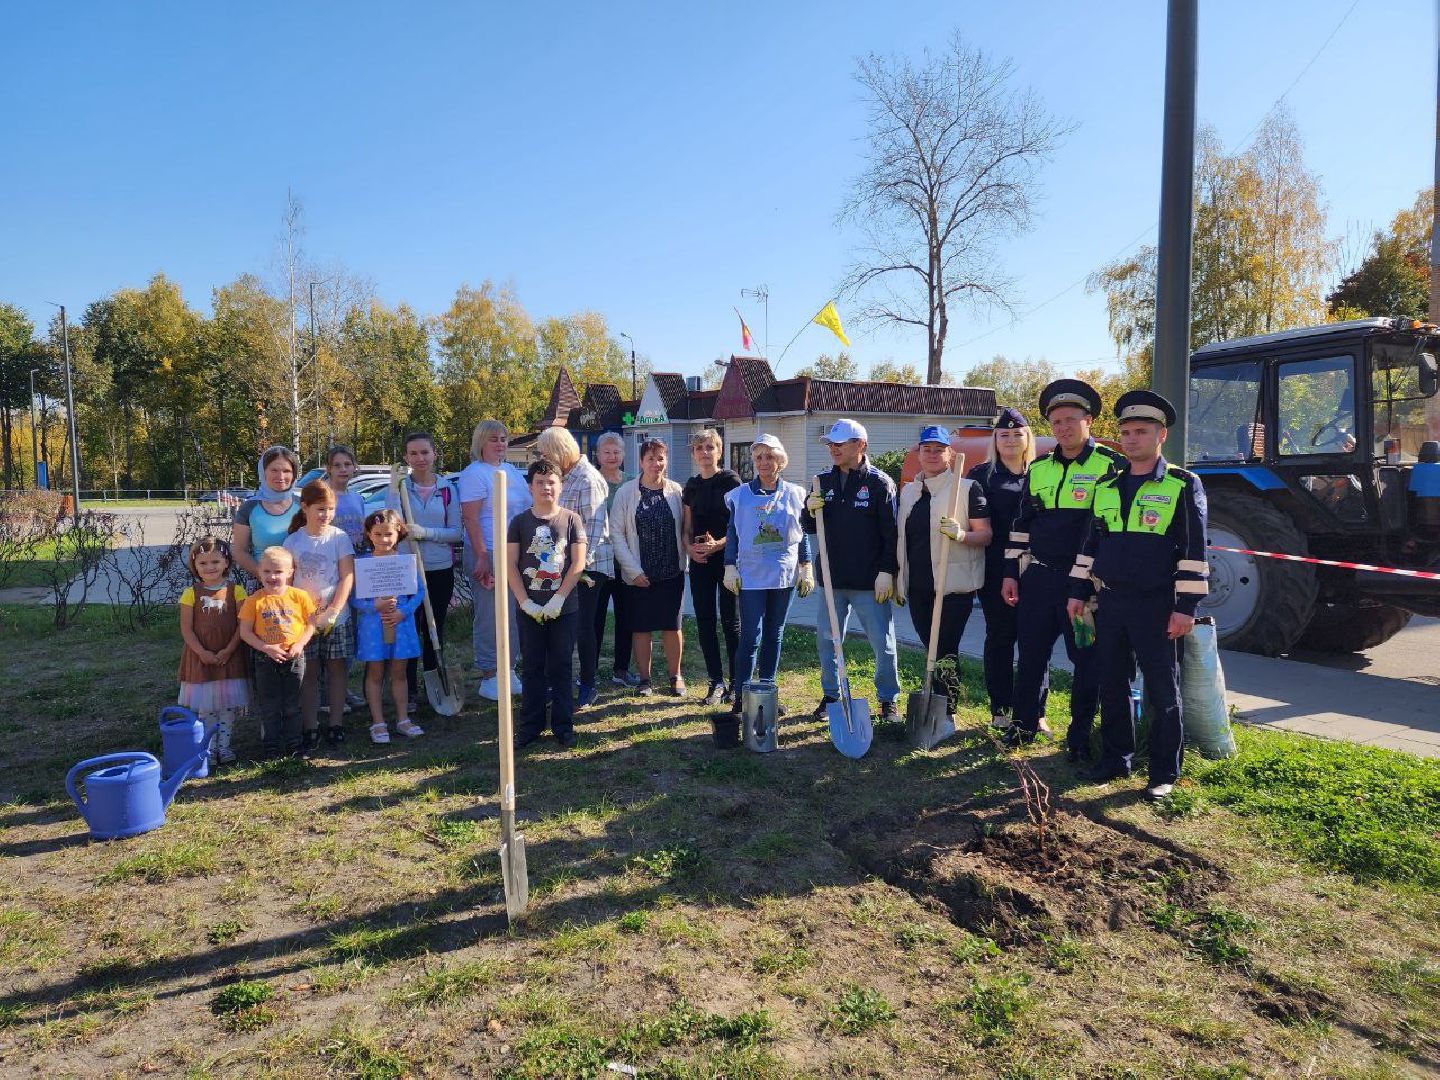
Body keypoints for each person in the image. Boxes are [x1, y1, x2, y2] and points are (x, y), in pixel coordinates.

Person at [1067, 390, 1209, 799]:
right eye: (1125, 432)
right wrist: (1078, 591)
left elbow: (1195, 551)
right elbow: (1090, 544)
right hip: (1110, 602)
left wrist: (1186, 608)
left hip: (1158, 606)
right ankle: (1116, 760)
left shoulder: (1183, 484)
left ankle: (1164, 772)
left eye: (1140, 432)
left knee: (1163, 691)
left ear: (1160, 435)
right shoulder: (1107, 485)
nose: (1130, 439)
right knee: (1112, 684)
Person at [1003, 379, 1125, 751]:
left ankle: (1080, 735)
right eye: (1056, 423)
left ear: (1088, 421)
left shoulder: (1112, 466)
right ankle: (1023, 726)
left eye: (1071, 420)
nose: (1064, 428)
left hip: (1085, 587)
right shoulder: (1038, 468)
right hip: (1039, 579)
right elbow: (1021, 525)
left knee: (1087, 662)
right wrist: (1011, 573)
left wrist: (1091, 583)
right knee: (1031, 656)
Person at [801, 418, 902, 720]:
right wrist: (810, 508)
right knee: (828, 643)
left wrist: (888, 571)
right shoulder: (822, 482)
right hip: (832, 579)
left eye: (840, 443)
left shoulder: (879, 483)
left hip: (870, 581)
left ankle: (888, 700)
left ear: (860, 445)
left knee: (882, 645)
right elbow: (809, 528)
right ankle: (832, 697)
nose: (833, 448)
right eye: (831, 443)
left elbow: (891, 533)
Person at [723, 434, 814, 717]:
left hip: (783, 575)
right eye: (759, 457)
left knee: (775, 634)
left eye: (770, 457)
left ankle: (767, 691)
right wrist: (729, 565)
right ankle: (742, 694)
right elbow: (733, 532)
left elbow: (801, 536)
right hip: (750, 575)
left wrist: (806, 566)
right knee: (751, 636)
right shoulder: (740, 496)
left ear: (780, 461)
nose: (764, 462)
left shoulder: (796, 494)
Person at [895, 426, 991, 681]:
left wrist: (961, 535)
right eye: (927, 449)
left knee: (945, 651)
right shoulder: (909, 492)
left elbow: (985, 535)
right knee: (931, 649)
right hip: (918, 585)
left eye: (939, 450)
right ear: (919, 454)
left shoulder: (968, 488)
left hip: (952, 588)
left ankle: (946, 710)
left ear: (951, 454)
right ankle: (934, 704)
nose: (932, 454)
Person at [507, 459, 588, 749]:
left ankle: (563, 726)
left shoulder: (571, 520)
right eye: (540, 482)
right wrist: (524, 601)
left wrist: (559, 598)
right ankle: (531, 725)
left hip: (563, 609)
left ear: (560, 485)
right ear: (530, 487)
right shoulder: (519, 522)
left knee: (561, 666)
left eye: (551, 481)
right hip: (529, 609)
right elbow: (510, 566)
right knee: (532, 667)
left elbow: (577, 563)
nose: (546, 487)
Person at [967, 407, 1037, 728]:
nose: (1010, 439)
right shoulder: (981, 475)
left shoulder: (1041, 472)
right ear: (995, 438)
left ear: (1027, 439)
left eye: (1017, 434)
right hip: (995, 570)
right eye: (1004, 434)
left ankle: (1037, 710)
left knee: (1036, 639)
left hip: (1036, 569)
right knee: (1000, 638)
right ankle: (1001, 710)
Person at [386, 432, 463, 713]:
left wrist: (425, 533)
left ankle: (435, 679)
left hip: (439, 570)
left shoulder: (446, 490)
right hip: (408, 570)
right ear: (406, 458)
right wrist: (394, 490)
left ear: (434, 455)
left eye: (424, 453)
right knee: (408, 631)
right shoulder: (400, 488)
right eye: (413, 454)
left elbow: (456, 532)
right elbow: (390, 524)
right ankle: (409, 691)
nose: (420, 458)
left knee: (433, 628)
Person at [535, 427, 611, 710]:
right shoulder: (565, 477)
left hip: (587, 568)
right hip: (562, 566)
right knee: (560, 628)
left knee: (582, 628)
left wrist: (575, 569)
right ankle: (557, 683)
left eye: (545, 452)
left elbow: (591, 531)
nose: (543, 458)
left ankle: (589, 684)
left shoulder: (587, 479)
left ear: (557, 451)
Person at [458, 420, 531, 700]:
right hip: (486, 552)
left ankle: (508, 668)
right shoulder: (474, 474)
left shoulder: (510, 471)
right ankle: (489, 674)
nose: (500, 443)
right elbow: (471, 518)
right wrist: (482, 556)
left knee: (513, 615)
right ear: (481, 443)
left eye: (503, 438)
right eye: (493, 439)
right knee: (490, 615)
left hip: (514, 555)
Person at [610, 438, 686, 696]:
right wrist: (634, 571)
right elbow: (617, 535)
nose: (656, 463)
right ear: (641, 461)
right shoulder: (625, 493)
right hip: (639, 575)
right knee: (641, 628)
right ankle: (645, 679)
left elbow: (686, 529)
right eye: (650, 458)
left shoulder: (676, 491)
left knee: (671, 626)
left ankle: (676, 676)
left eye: (660, 458)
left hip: (671, 572)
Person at [283, 481, 356, 750]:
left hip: (338, 618)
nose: (326, 514)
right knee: (309, 673)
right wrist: (302, 614)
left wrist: (334, 610)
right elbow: (287, 582)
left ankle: (336, 723)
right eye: (320, 509)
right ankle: (309, 726)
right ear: (305, 507)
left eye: (330, 509)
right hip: (304, 622)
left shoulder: (339, 538)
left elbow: (347, 576)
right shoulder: (293, 540)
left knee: (337, 669)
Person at [352, 509, 426, 744]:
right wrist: (374, 605)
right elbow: (354, 597)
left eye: (388, 534)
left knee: (399, 673)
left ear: (398, 533)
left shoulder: (405, 562)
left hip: (401, 623)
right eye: (378, 534)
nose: (384, 540)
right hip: (373, 625)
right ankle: (378, 722)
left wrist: (404, 611)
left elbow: (419, 591)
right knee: (375, 673)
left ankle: (403, 719)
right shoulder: (362, 564)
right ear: (369, 534)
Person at [177, 537, 249, 766]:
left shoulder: (236, 591)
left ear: (226, 562)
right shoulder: (191, 593)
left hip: (230, 656)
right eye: (203, 564)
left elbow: (242, 625)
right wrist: (201, 652)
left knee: (227, 705)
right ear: (195, 566)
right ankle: (207, 748)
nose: (210, 568)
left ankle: (225, 747)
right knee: (206, 707)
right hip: (201, 659)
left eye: (215, 562)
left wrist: (229, 650)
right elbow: (186, 629)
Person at [237, 546, 316, 758]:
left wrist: (299, 644)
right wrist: (266, 647)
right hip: (265, 659)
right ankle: (270, 745)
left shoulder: (300, 597)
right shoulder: (253, 601)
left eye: (278, 572)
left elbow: (311, 625)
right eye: (267, 572)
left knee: (292, 703)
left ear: (290, 572)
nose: (272, 576)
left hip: (294, 658)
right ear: (259, 572)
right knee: (269, 705)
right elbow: (244, 632)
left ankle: (294, 744)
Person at [682, 428, 741, 706]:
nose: (705, 452)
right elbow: (686, 527)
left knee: (731, 621)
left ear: (719, 451)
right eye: (700, 448)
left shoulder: (730, 481)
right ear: (694, 453)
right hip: (700, 562)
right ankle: (715, 682)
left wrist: (719, 544)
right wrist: (690, 548)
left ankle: (736, 683)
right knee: (705, 621)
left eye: (710, 447)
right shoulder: (691, 486)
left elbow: (740, 525)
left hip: (727, 560)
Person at [593, 431, 635, 687]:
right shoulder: (590, 480)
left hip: (625, 562)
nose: (612, 456)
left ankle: (621, 669)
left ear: (623, 454)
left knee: (626, 618)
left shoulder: (632, 482)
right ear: (597, 454)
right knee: (594, 619)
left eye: (616, 452)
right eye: (606, 452)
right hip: (596, 563)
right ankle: (590, 671)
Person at [232, 446, 303, 580]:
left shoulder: (304, 505)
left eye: (287, 471)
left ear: (294, 474)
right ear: (263, 473)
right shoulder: (249, 508)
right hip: (265, 586)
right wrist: (266, 577)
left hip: (302, 587)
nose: (281, 476)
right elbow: (239, 551)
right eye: (274, 470)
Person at [325, 445, 368, 548]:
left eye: (347, 464)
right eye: (337, 465)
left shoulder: (357, 498)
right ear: (329, 469)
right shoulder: (322, 497)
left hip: (357, 558)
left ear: (354, 467)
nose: (343, 469)